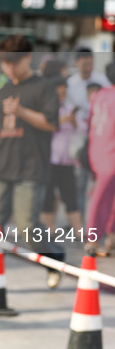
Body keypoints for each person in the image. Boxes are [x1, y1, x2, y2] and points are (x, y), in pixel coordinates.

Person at [0, 35, 65, 291]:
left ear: (27, 58)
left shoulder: (43, 87)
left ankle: (54, 260)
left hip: (31, 167)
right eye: (5, 64)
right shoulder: (4, 88)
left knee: (27, 225)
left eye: (14, 62)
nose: (9, 68)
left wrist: (21, 111)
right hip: (2, 166)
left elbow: (51, 123)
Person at [67, 48, 111, 229]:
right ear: (77, 63)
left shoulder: (102, 81)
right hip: (78, 138)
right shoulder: (71, 84)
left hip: (102, 140)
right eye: (84, 64)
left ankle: (100, 225)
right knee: (79, 183)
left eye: (90, 63)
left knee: (99, 187)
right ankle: (80, 223)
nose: (87, 67)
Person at [40, 77, 83, 237]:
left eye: (64, 91)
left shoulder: (70, 108)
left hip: (67, 161)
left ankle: (79, 234)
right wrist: (62, 120)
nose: (62, 95)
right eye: (59, 92)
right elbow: (43, 126)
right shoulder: (46, 108)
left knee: (70, 196)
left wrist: (74, 122)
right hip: (49, 160)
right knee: (48, 198)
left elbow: (81, 130)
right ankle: (48, 233)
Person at [85, 62, 115, 256]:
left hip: (98, 152)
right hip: (110, 153)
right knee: (102, 197)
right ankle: (93, 240)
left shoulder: (99, 95)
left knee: (106, 197)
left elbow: (90, 124)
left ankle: (108, 237)